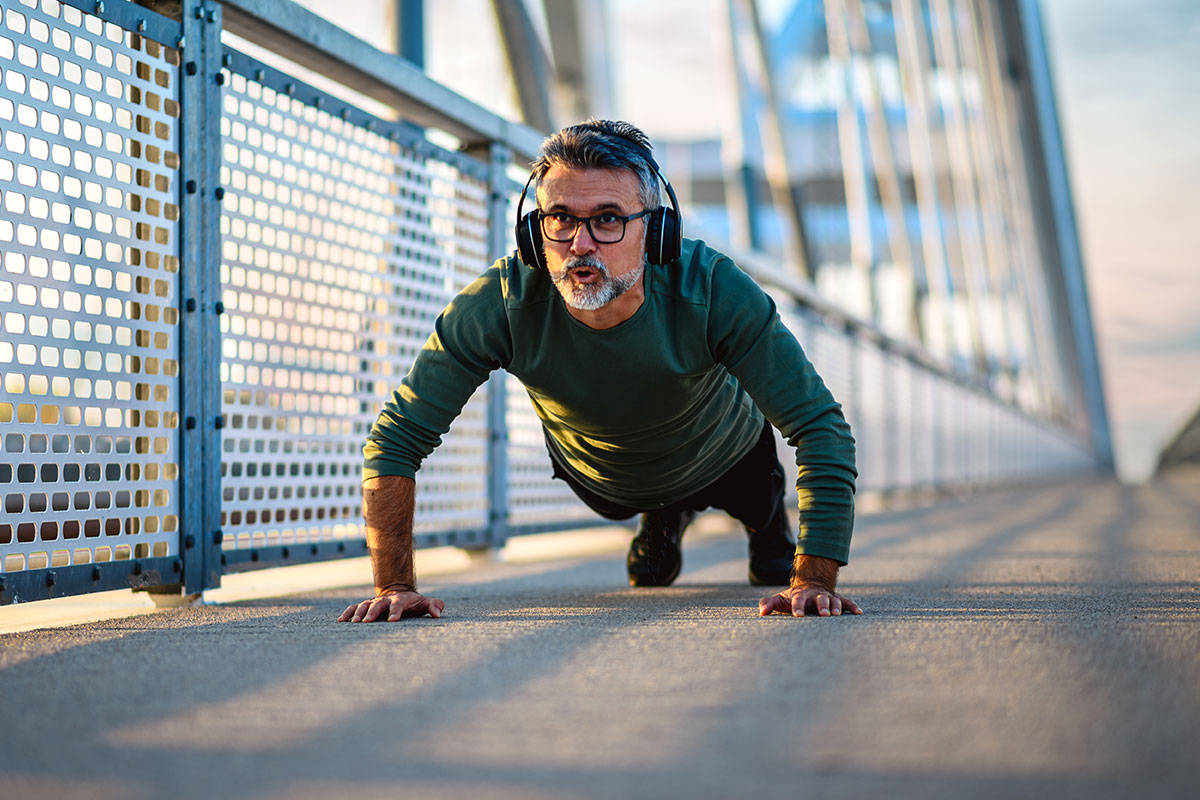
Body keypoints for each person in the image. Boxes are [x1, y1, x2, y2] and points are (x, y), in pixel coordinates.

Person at [338, 120, 860, 623]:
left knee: (767, 540)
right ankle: (663, 514)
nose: (579, 244)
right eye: (560, 217)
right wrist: (394, 587)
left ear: (656, 232)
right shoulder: (500, 302)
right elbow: (395, 439)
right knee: (638, 539)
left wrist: (813, 579)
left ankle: (767, 530)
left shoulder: (714, 288)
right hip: (605, 477)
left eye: (608, 218)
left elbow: (821, 429)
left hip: (725, 453)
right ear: (532, 230)